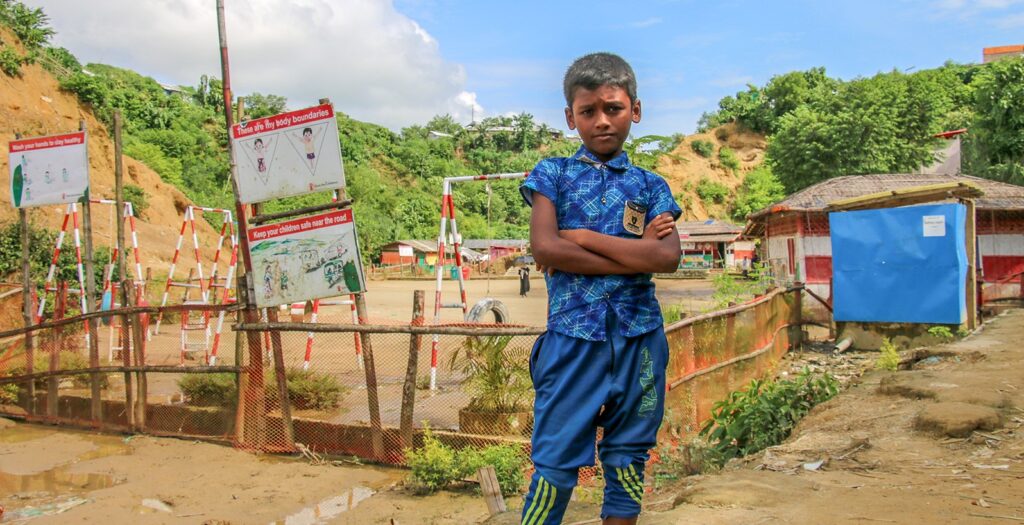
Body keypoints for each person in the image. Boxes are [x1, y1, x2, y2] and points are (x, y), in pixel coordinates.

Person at [519, 52, 682, 525]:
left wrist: (585, 238)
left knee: (629, 456)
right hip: (572, 341)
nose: (602, 121)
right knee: (554, 462)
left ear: (636, 109)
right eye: (588, 111)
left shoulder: (652, 186)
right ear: (571, 117)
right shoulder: (552, 175)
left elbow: (667, 258)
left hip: (641, 342)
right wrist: (635, 255)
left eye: (613, 108)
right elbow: (547, 250)